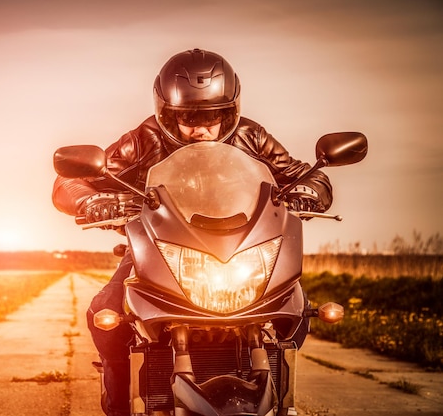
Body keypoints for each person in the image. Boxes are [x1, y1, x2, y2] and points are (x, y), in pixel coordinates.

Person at [52, 48, 332, 416]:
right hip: (163, 251)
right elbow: (68, 182)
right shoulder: (144, 138)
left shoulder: (253, 136)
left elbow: (304, 174)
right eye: (187, 118)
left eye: (212, 116)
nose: (200, 128)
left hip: (240, 252)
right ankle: (120, 405)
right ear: (167, 114)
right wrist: (91, 200)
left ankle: (279, 395)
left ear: (229, 112)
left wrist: (309, 190)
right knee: (105, 312)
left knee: (295, 308)